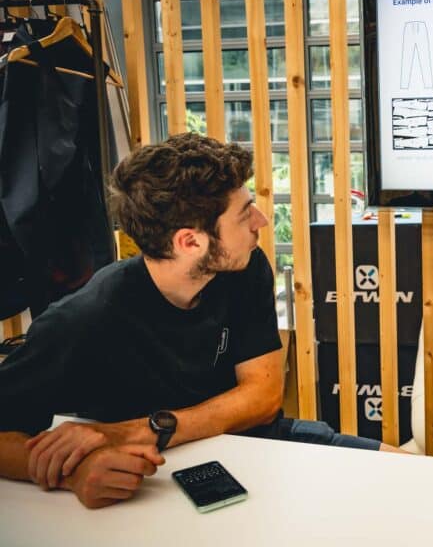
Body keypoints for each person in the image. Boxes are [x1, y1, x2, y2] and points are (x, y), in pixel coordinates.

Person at [0, 133, 399, 510]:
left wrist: (137, 431)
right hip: (153, 480)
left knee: (408, 473)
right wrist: (71, 474)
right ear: (190, 242)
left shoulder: (245, 267)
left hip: (257, 444)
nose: (261, 221)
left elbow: (262, 398)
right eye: (244, 214)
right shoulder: (83, 319)